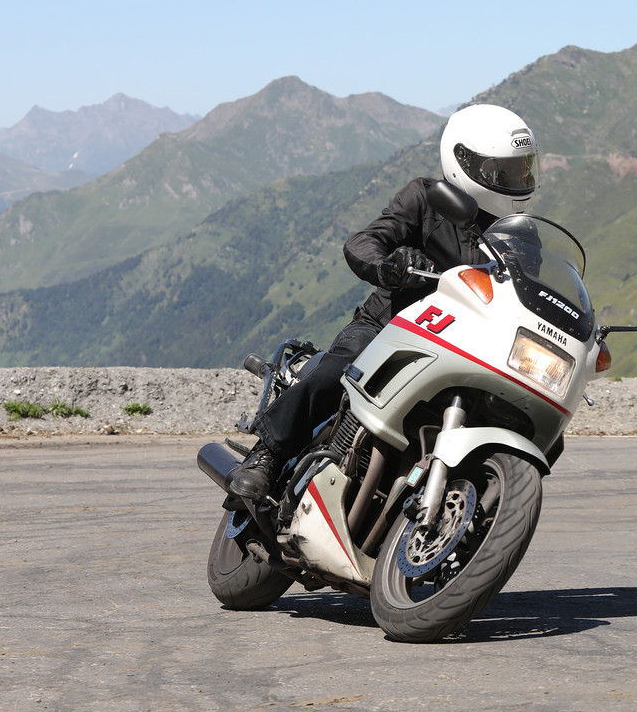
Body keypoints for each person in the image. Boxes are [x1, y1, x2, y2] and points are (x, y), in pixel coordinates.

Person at [229, 103, 542, 500]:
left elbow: (526, 295)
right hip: (390, 327)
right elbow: (364, 241)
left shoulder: (520, 236)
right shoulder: (425, 197)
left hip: (462, 348)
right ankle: (266, 454)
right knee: (336, 372)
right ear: (463, 162)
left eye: (522, 170)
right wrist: (387, 267)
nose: (516, 181)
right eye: (503, 172)